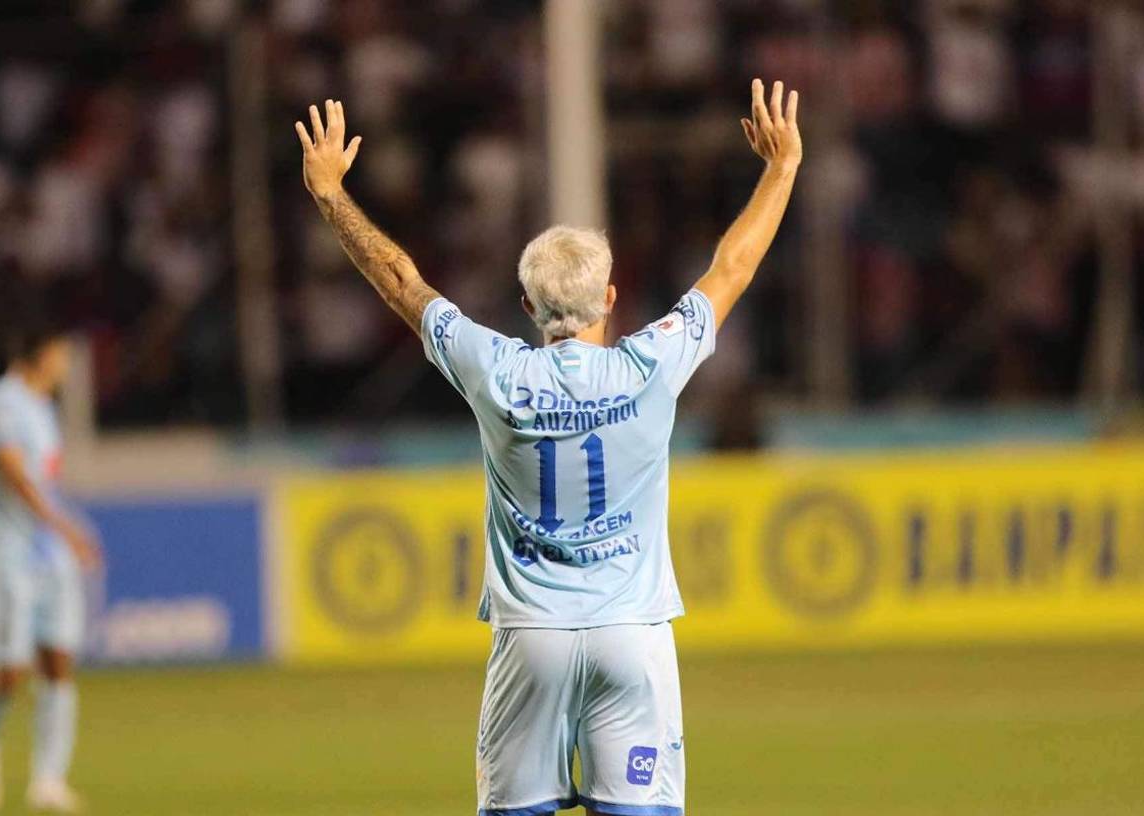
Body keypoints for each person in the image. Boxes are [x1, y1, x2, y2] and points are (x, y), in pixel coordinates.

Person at [296, 77, 801, 816]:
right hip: (632, 635)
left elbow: (402, 283)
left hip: (531, 639)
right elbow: (733, 268)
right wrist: (781, 166)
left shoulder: (496, 371)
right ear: (611, 298)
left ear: (529, 306)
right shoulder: (652, 365)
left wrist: (330, 195)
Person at [0, 316, 103, 813]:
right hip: (6, 553)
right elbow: (14, 476)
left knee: (59, 662)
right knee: (9, 669)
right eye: (62, 353)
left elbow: (45, 478)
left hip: (48, 555)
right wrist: (67, 527)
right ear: (40, 354)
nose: (66, 364)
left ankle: (48, 781)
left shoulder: (43, 408)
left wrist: (62, 536)